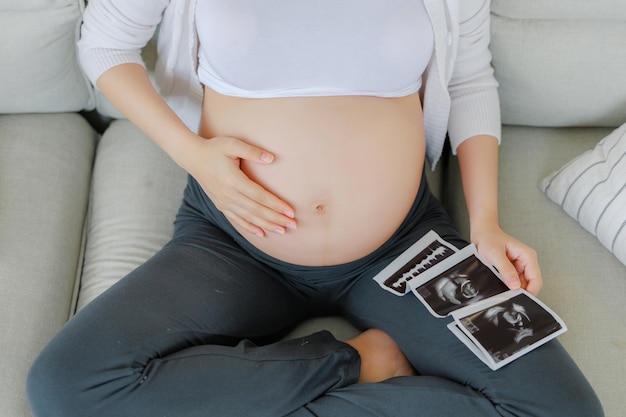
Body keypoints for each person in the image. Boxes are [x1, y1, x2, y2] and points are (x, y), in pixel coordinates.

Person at [26, 1, 604, 416]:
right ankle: (358, 362)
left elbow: (473, 79)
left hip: (408, 246)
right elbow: (104, 43)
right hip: (231, 242)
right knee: (67, 383)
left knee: (562, 406)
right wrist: (194, 155)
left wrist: (485, 222)